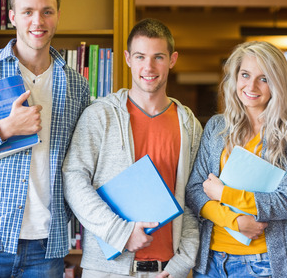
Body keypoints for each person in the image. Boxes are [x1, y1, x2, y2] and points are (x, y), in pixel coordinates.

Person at [62, 18, 203, 278]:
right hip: (108, 270)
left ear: (172, 59)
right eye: (140, 56)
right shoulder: (100, 115)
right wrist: (121, 233)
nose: (148, 67)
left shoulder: (190, 125)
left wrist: (182, 263)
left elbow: (195, 198)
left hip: (168, 271)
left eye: (158, 57)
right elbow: (73, 179)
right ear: (127, 58)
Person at [0, 0, 90, 277]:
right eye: (27, 11)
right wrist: (5, 128)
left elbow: (80, 161)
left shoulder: (76, 85)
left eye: (47, 11)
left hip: (47, 246)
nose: (37, 21)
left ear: (58, 16)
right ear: (12, 16)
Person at [185, 41, 287, 278]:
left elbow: (284, 203)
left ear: (277, 83)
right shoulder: (217, 127)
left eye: (264, 78)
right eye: (245, 75)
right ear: (235, 78)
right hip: (210, 262)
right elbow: (195, 190)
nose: (251, 85)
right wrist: (234, 221)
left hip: (263, 264)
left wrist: (223, 194)